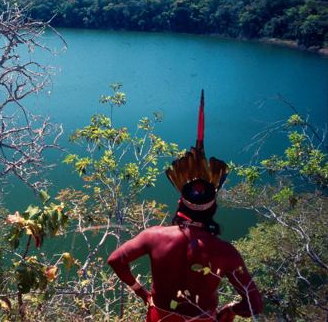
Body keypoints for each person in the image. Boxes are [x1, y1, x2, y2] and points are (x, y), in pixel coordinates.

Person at [107, 91, 263, 322]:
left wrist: (142, 293)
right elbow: (254, 305)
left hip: (159, 317)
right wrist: (230, 309)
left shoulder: (153, 237)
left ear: (180, 203)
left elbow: (115, 260)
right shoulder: (226, 252)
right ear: (215, 210)